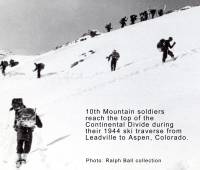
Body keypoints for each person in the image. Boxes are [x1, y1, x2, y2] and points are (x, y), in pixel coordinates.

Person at [10, 98, 42, 167]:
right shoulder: (30, 112)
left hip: (20, 129)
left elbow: (16, 122)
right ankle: (24, 157)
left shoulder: (18, 112)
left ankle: (18, 157)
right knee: (28, 143)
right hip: (29, 130)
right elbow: (40, 125)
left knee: (19, 142)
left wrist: (16, 127)